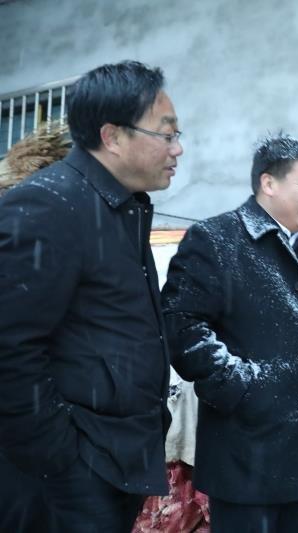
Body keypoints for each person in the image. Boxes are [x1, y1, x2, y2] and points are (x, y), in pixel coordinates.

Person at [0, 60, 181, 532]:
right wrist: (62, 460)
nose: (177, 148)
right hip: (67, 478)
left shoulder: (120, 209)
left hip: (110, 462)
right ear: (113, 136)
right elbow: (9, 348)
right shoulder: (48, 205)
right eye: (166, 134)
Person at [161, 133, 298, 533]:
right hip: (244, 447)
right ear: (269, 183)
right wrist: (243, 385)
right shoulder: (216, 239)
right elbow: (181, 325)